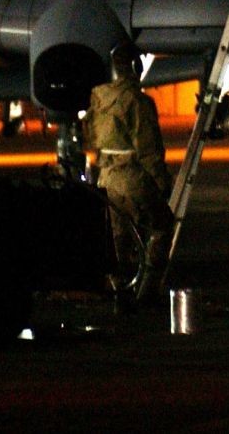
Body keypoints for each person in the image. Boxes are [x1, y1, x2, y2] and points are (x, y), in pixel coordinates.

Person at [85, 41, 173, 306]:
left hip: (106, 177)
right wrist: (161, 180)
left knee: (117, 238)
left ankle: (118, 291)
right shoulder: (138, 101)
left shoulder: (97, 100)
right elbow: (148, 148)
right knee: (161, 226)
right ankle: (146, 292)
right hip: (132, 177)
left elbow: (88, 138)